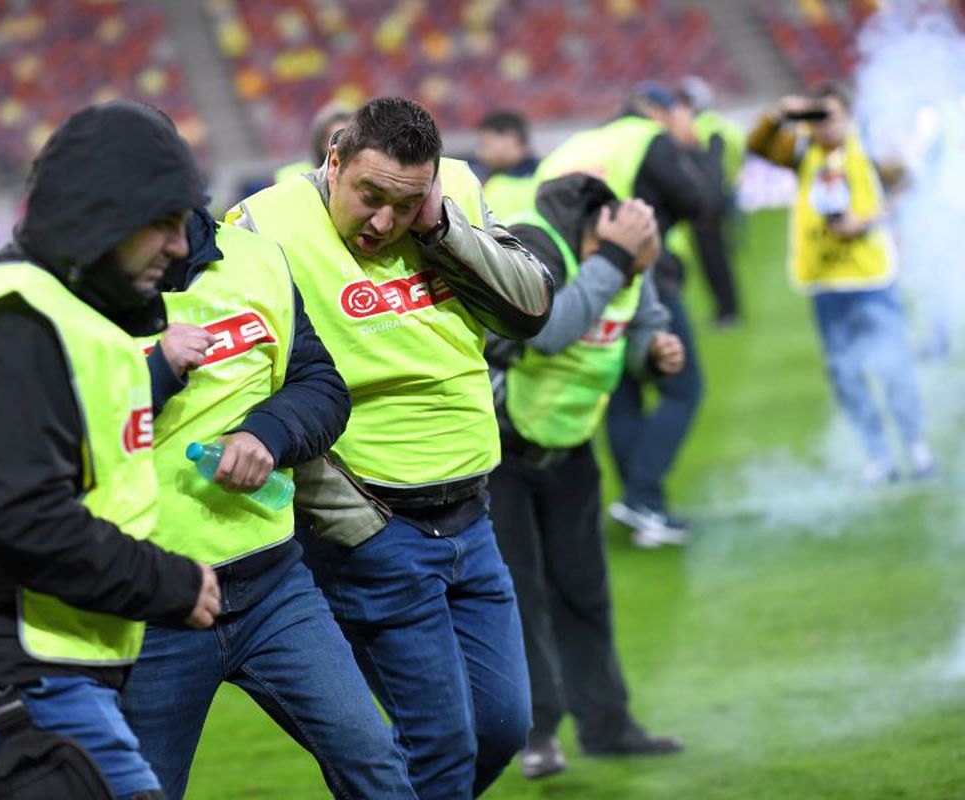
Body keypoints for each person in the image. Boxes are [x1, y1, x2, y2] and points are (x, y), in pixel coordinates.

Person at [0, 102, 222, 800]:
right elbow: (22, 518)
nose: (178, 244)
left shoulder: (49, 309)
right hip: (11, 663)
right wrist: (170, 582)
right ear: (101, 212)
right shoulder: (11, 326)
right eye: (161, 221)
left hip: (42, 654)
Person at [228, 96, 553, 798]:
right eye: (369, 197)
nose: (383, 223)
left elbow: (529, 309)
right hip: (374, 526)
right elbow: (253, 383)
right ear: (334, 160)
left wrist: (441, 229)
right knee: (440, 745)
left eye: (404, 205)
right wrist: (344, 517)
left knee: (501, 727)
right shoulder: (262, 226)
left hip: (472, 513)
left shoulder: (456, 191)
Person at [120, 206, 417, 797]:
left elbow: (319, 384)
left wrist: (267, 434)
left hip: (273, 587)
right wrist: (156, 372)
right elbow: (64, 432)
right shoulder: (75, 294)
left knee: (373, 759)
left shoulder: (255, 258)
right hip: (151, 605)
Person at [488, 174, 685, 779]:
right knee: (521, 600)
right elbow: (548, 332)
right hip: (501, 453)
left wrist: (651, 354)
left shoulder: (628, 258)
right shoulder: (533, 245)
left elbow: (637, 322)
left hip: (571, 448)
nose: (636, 273)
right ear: (595, 232)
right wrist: (617, 262)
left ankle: (607, 725)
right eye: (630, 258)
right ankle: (537, 735)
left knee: (586, 594)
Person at [537, 83, 711, 547]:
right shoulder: (647, 137)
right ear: (659, 110)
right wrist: (692, 151)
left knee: (620, 392)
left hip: (578, 282)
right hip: (638, 276)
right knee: (683, 387)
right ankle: (643, 494)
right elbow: (700, 201)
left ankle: (642, 507)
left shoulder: (577, 144)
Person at [748, 84, 935, 483]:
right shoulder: (801, 152)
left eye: (828, 116)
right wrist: (781, 109)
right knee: (846, 374)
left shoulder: (869, 147)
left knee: (893, 367)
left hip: (871, 279)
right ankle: (878, 455)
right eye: (814, 118)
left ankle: (916, 447)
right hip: (824, 283)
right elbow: (758, 144)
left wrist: (869, 219)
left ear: (848, 116)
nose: (822, 126)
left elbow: (909, 182)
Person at [673, 76, 746, 327]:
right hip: (720, 198)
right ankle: (727, 309)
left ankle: (727, 311)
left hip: (709, 205)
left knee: (713, 258)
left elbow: (708, 167)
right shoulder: (720, 124)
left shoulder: (704, 126)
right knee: (718, 257)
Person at [473, 109, 541, 222]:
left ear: (509, 139)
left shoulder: (494, 187)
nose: (481, 153)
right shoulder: (547, 174)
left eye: (485, 144)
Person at [275, 100, 354, 183]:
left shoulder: (363, 178)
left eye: (343, 138)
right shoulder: (291, 177)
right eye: (329, 139)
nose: (336, 147)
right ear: (319, 143)